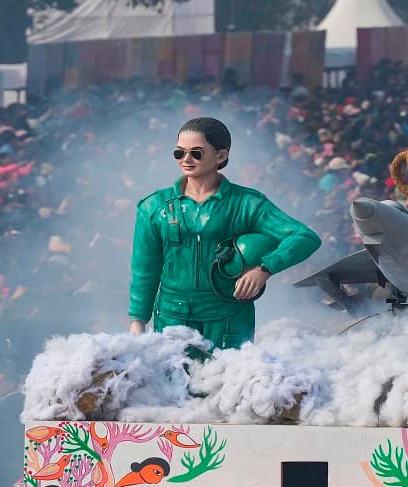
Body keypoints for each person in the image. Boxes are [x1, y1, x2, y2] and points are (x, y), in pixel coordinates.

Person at [128, 116, 322, 350]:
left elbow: (305, 237)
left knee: (228, 382)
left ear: (220, 156)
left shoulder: (247, 203)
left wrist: (265, 269)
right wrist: (138, 320)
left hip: (229, 317)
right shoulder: (154, 206)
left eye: (196, 153)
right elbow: (145, 266)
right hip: (172, 317)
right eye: (179, 153)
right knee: (172, 383)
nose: (186, 160)